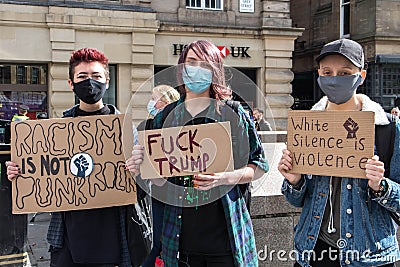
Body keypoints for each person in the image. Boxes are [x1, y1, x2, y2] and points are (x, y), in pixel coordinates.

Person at [126, 40, 269, 267]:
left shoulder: (233, 113)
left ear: (215, 71)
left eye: (205, 64)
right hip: (179, 243)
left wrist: (225, 178)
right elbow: (159, 179)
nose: (197, 69)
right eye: (192, 62)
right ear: (181, 68)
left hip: (226, 241)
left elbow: (259, 165)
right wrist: (142, 164)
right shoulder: (166, 117)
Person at [7, 48, 136, 267]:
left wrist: (139, 170)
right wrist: (20, 173)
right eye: (82, 77)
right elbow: (44, 178)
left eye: (96, 76)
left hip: (112, 239)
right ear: (71, 84)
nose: (90, 83)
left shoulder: (124, 129)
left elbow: (142, 189)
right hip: (67, 242)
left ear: (107, 80)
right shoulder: (57, 132)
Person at [278, 38, 400, 267]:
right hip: (313, 251)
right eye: (328, 72)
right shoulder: (308, 127)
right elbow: (295, 200)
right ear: (319, 75)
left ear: (361, 76)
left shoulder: (387, 128)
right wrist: (294, 181)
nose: (335, 79)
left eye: (345, 73)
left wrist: (380, 186)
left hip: (368, 257)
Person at [139, 84, 180, 267]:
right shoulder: (146, 125)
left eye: (153, 97)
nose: (151, 102)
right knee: (155, 242)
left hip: (177, 194)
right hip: (155, 194)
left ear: (164, 101)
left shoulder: (181, 125)